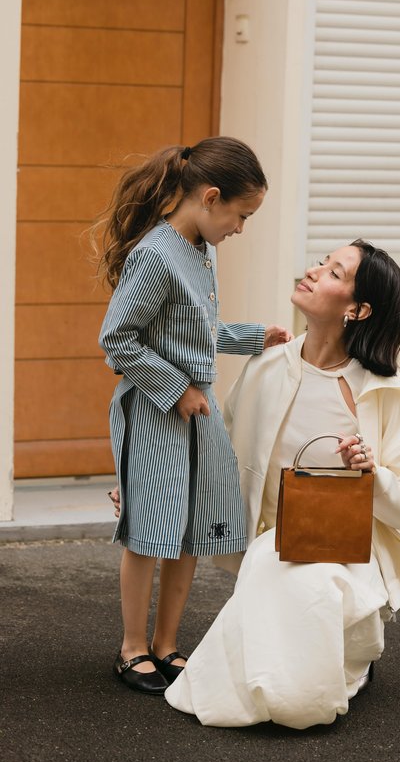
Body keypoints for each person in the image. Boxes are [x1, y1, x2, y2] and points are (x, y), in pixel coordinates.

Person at [164, 239, 400, 729]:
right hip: (270, 550)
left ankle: (350, 654)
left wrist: (371, 476)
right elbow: (217, 449)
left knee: (296, 697)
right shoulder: (268, 366)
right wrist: (145, 489)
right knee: (273, 568)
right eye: (321, 262)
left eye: (334, 272)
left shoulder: (385, 394)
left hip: (349, 558)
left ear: (358, 309)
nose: (313, 272)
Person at [97, 136, 292, 696]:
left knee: (185, 533)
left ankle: (167, 645)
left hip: (193, 414)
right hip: (157, 413)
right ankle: (133, 647)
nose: (240, 228)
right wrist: (177, 388)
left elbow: (193, 338)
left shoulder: (199, 252)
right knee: (149, 533)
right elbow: (117, 339)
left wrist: (257, 336)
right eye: (241, 215)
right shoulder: (157, 256)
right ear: (210, 197)